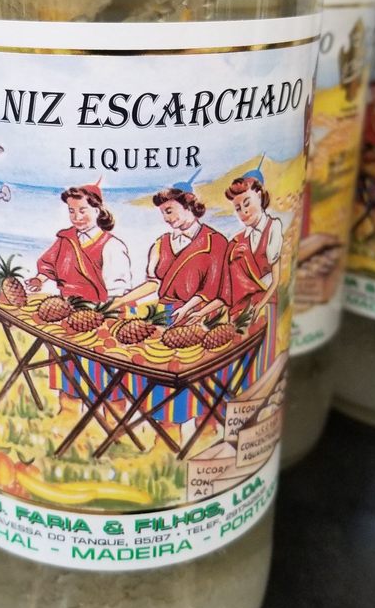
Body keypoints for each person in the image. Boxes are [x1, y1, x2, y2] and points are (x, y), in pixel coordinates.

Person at [113, 180, 228, 439]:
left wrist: (187, 309)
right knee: (151, 365)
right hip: (165, 314)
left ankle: (196, 431)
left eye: (169, 210)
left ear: (188, 206)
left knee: (186, 373)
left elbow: (214, 289)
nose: (166, 218)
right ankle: (158, 429)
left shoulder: (215, 242)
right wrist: (119, 301)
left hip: (199, 317)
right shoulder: (162, 243)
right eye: (162, 213)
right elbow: (153, 283)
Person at [27, 183, 131, 422]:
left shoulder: (112, 245)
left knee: (107, 373)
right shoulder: (65, 239)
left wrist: (100, 315)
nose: (77, 217)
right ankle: (68, 416)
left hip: (104, 315)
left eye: (82, 210)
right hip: (69, 315)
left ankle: (114, 423)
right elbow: (50, 264)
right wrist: (39, 279)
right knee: (69, 370)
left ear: (98, 210)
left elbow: (118, 288)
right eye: (72, 211)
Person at [221, 168, 283, 377]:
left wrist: (260, 306)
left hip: (265, 305)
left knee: (261, 364)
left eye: (247, 203)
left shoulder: (273, 227)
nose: (243, 212)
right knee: (234, 364)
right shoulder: (237, 240)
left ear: (259, 194)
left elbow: (276, 280)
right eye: (238, 208)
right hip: (239, 310)